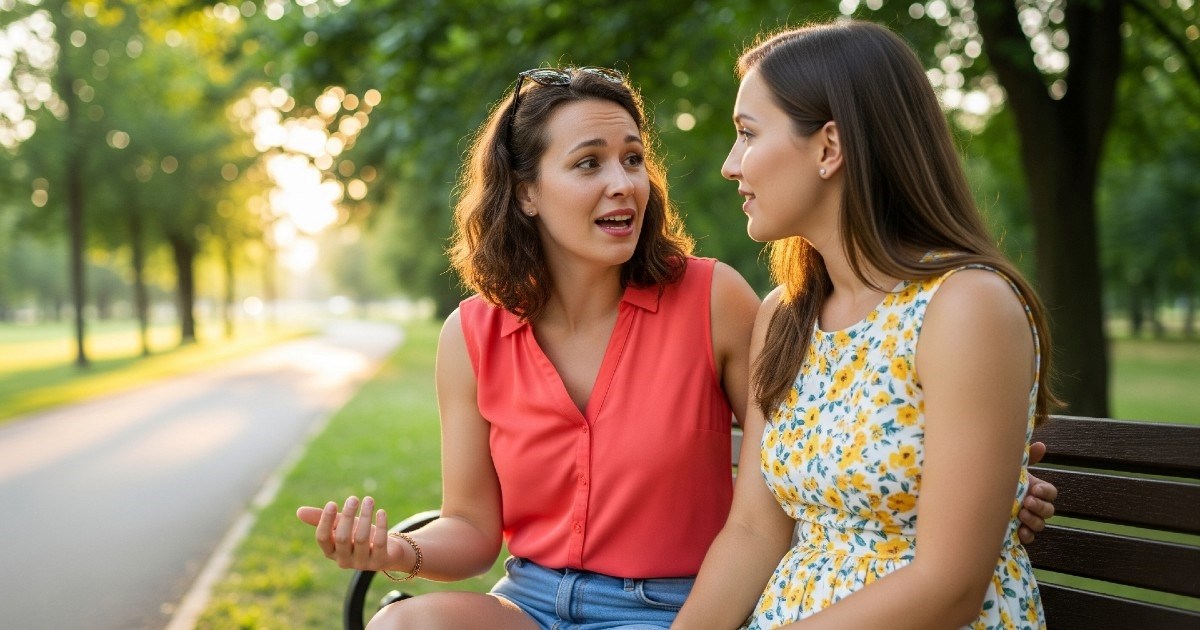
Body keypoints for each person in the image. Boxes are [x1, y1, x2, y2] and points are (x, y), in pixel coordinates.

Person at [297, 62, 1056, 630]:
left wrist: (976, 487)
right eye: (588, 163)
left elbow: (802, 448)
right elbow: (472, 525)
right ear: (525, 191)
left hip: (666, 606)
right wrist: (403, 555)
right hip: (529, 598)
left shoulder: (714, 299)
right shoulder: (472, 335)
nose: (624, 184)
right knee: (401, 623)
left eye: (633, 159)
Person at [672, 21, 1056, 629]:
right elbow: (752, 532)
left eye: (748, 134)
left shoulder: (966, 308)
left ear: (829, 147)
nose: (729, 164)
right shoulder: (784, 317)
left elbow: (948, 586)